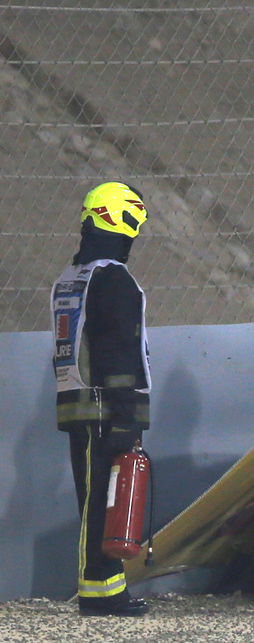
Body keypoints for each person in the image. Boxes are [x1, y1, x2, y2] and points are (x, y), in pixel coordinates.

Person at [51, 182, 152, 617]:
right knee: (104, 503)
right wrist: (126, 415)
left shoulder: (72, 277)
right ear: (121, 220)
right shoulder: (113, 278)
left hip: (79, 402)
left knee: (97, 499)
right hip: (106, 407)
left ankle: (106, 588)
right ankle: (99, 592)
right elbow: (118, 350)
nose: (134, 236)